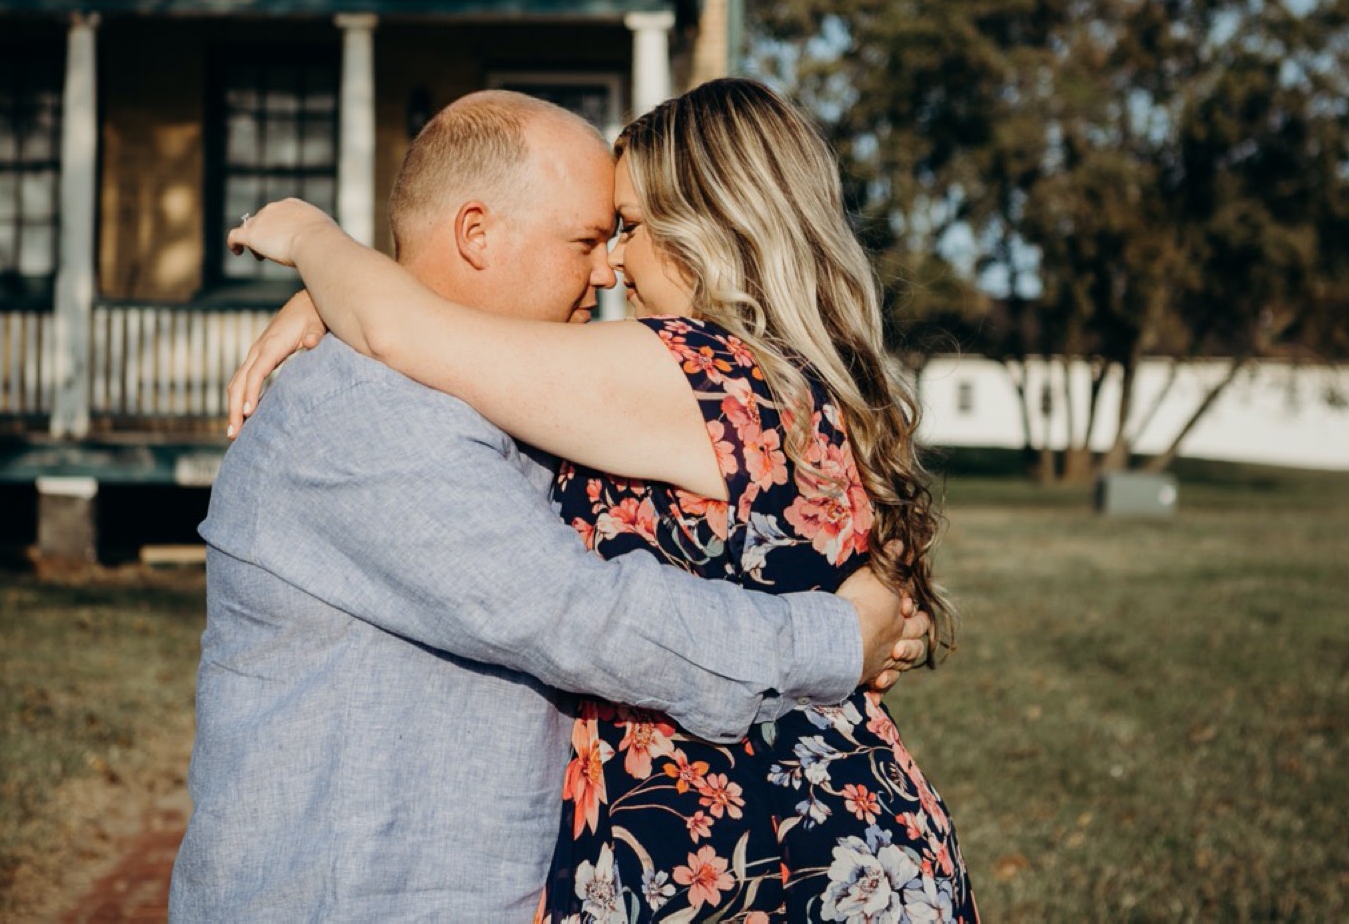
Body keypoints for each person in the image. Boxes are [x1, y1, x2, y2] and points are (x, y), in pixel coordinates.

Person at [170, 90, 931, 921]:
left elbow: (404, 325)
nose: (608, 268)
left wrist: (329, 266)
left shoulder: (673, 372)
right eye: (593, 236)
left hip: (773, 862)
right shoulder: (370, 409)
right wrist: (838, 635)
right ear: (475, 234)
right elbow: (577, 614)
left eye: (625, 231)